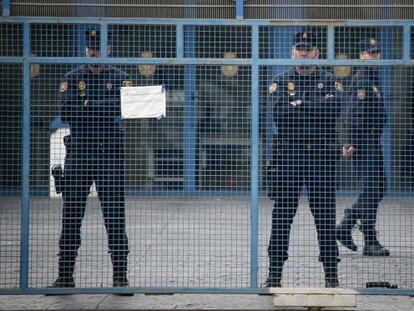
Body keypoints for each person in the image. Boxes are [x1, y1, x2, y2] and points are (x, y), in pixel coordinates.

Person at [50, 29, 133, 293]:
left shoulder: (121, 78)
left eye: (98, 47)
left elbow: (125, 108)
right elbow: (65, 111)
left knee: (115, 219)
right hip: (80, 155)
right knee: (71, 218)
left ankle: (120, 278)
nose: (93, 51)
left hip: (109, 155)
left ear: (109, 49)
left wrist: (86, 105)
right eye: (90, 47)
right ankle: (65, 276)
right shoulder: (72, 78)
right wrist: (105, 106)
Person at [266, 31, 342, 288]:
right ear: (292, 52)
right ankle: (274, 273)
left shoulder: (331, 81)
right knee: (282, 216)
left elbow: (333, 112)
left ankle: (331, 276)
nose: (304, 52)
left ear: (317, 53)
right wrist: (315, 106)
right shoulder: (280, 80)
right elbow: (281, 116)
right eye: (300, 48)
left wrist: (298, 104)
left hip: (321, 157)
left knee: (325, 217)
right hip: (289, 156)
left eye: (309, 49)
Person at [337, 38, 390, 257]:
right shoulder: (362, 79)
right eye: (370, 53)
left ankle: (346, 225)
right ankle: (370, 241)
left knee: (378, 188)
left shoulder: (372, 79)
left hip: (371, 142)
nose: (374, 55)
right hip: (363, 142)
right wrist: (351, 142)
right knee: (372, 188)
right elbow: (353, 115)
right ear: (361, 56)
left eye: (377, 52)